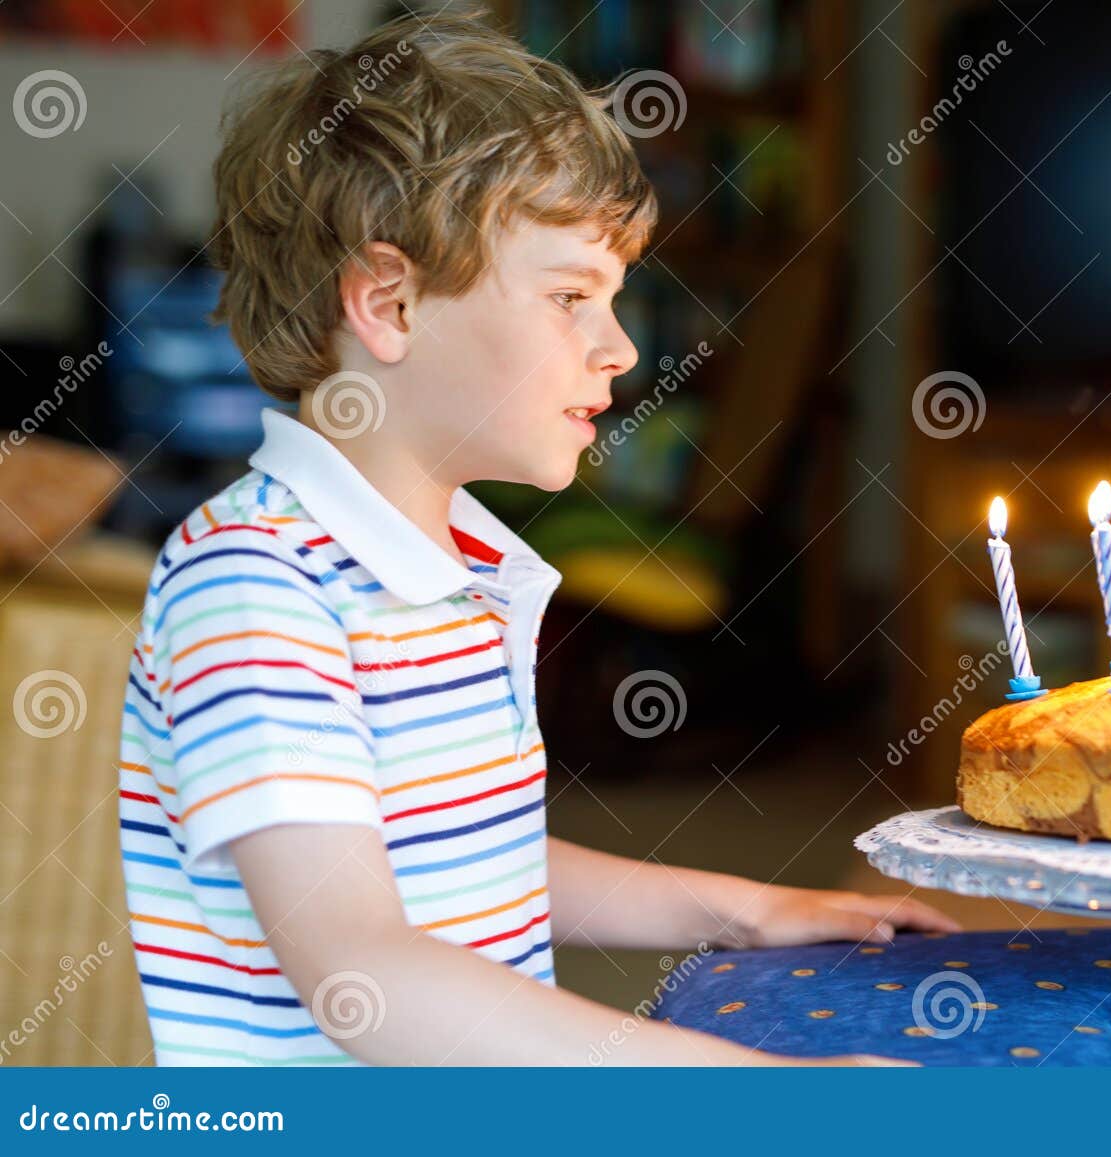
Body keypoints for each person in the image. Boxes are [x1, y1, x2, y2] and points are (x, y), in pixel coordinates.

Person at [118, 9, 955, 1067]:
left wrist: (742, 909)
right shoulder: (251, 585)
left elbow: (474, 861)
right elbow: (363, 974)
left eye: (614, 300)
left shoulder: (466, 568)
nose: (615, 348)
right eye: (571, 297)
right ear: (389, 300)